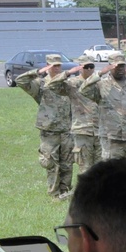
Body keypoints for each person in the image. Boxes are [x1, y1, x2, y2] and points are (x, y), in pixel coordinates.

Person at [15, 53, 73, 199]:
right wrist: (37, 72)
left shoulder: (66, 83)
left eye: (59, 65)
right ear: (48, 66)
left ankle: (65, 192)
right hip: (49, 130)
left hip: (67, 129)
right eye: (54, 66)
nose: (57, 68)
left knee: (67, 163)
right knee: (51, 163)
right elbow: (20, 81)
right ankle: (53, 193)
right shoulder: (40, 84)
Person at [79, 53, 126, 161]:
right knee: (111, 172)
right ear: (110, 66)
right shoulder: (101, 85)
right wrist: (99, 73)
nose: (120, 69)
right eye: (116, 66)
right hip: (110, 137)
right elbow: (83, 90)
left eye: (122, 66)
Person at [51, 55, 101, 174]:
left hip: (100, 131)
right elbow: (52, 86)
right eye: (86, 67)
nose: (89, 69)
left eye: (91, 66)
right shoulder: (72, 83)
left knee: (101, 168)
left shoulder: (100, 83)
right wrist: (67, 73)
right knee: (85, 168)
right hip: (82, 130)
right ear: (79, 68)